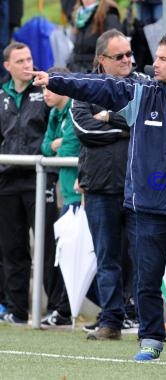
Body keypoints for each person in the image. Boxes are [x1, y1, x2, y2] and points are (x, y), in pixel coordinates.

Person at [31, 32, 166, 364]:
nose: (154, 64)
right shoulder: (140, 94)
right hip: (149, 208)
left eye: (163, 59)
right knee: (147, 279)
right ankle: (152, 339)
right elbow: (97, 87)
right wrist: (57, 81)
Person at [71, 29, 145, 340]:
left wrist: (108, 118)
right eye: (120, 56)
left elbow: (147, 125)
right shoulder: (85, 88)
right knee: (107, 258)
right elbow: (84, 130)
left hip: (139, 187)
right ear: (102, 60)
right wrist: (124, 126)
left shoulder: (143, 85)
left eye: (129, 54)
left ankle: (147, 321)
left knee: (144, 257)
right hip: (100, 188)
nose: (128, 59)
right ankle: (111, 320)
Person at [0, 42, 62, 324]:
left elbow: (55, 128)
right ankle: (16, 309)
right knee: (12, 247)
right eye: (20, 60)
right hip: (7, 180)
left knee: (49, 245)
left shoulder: (44, 90)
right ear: (7, 66)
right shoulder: (1, 94)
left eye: (30, 58)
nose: (27, 64)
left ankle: (57, 309)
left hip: (39, 177)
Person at [39, 66, 82, 327]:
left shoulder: (74, 109)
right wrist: (55, 145)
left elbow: (68, 148)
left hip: (79, 196)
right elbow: (45, 146)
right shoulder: (56, 113)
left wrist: (57, 146)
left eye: (48, 86)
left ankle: (65, 310)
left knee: (74, 255)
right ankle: (64, 310)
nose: (44, 93)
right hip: (67, 195)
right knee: (66, 255)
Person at [67, 0, 121, 73]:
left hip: (95, 73)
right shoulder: (78, 14)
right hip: (75, 69)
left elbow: (115, 47)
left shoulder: (109, 13)